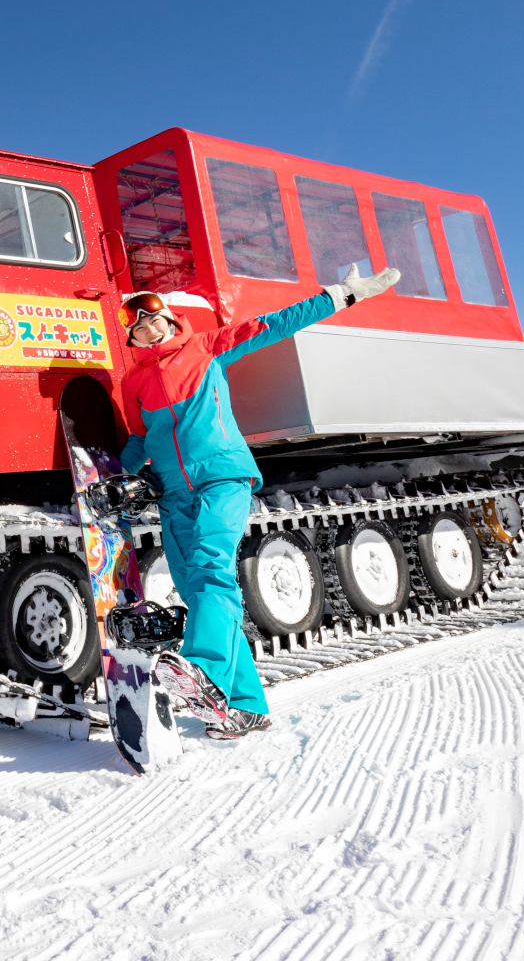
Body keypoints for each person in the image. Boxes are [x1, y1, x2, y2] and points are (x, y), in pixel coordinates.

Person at [118, 265, 399, 741]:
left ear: (169, 318)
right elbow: (137, 440)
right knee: (198, 592)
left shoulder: (204, 349)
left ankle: (203, 668)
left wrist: (341, 295)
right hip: (173, 496)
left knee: (212, 573)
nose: (148, 330)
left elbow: (276, 324)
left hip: (222, 477)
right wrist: (113, 476)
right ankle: (246, 707)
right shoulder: (133, 383)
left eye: (154, 320)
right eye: (138, 327)